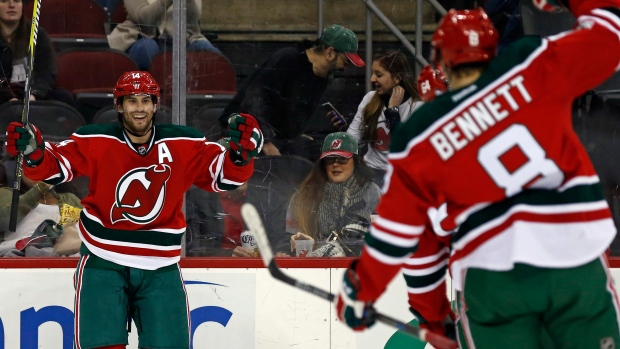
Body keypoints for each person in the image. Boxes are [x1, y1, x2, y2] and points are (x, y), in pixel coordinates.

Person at [335, 2, 620, 348]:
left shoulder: (421, 131)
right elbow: (609, 37)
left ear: (441, 59)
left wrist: (369, 292)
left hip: (492, 276)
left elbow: (404, 237)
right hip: (572, 259)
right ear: (491, 50)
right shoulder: (530, 63)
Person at [4, 70, 263, 349]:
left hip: (160, 267)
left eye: (145, 100)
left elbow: (223, 177)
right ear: (119, 105)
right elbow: (55, 166)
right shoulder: (95, 139)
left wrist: (240, 154)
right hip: (103, 260)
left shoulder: (184, 143)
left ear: (155, 104)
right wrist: (33, 153)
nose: (139, 108)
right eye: (131, 101)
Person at [218, 24, 365, 162]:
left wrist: (294, 135)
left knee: (325, 156)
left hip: (279, 137)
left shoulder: (321, 77)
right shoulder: (288, 59)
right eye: (345, 62)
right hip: (246, 129)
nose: (345, 68)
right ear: (330, 53)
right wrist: (266, 142)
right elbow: (255, 100)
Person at [287, 132, 380, 257]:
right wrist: (301, 242)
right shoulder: (303, 195)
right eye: (330, 159)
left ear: (356, 161)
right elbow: (287, 239)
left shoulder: (371, 191)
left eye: (342, 158)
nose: (336, 164)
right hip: (315, 265)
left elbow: (383, 239)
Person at [346, 50, 423, 187]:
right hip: (371, 173)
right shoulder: (370, 98)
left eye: (379, 75)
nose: (372, 79)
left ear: (397, 78)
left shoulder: (418, 107)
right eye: (373, 73)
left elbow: (404, 149)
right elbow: (351, 139)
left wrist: (393, 111)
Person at [0, 0, 75, 106]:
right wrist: (8, 98)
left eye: (17, 1)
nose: (11, 5)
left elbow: (46, 73)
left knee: (63, 96)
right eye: (4, 1)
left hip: (31, 94)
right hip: (3, 96)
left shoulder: (38, 34)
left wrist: (35, 94)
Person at [108, 0, 220, 70]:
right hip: (143, 35)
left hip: (183, 39)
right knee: (148, 48)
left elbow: (194, 18)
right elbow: (143, 19)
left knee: (207, 51)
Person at [0, 173, 83, 257]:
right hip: (14, 257)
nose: (37, 171)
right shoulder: (6, 194)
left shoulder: (70, 199)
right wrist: (42, 187)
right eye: (30, 167)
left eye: (43, 167)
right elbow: (5, 220)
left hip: (61, 257)